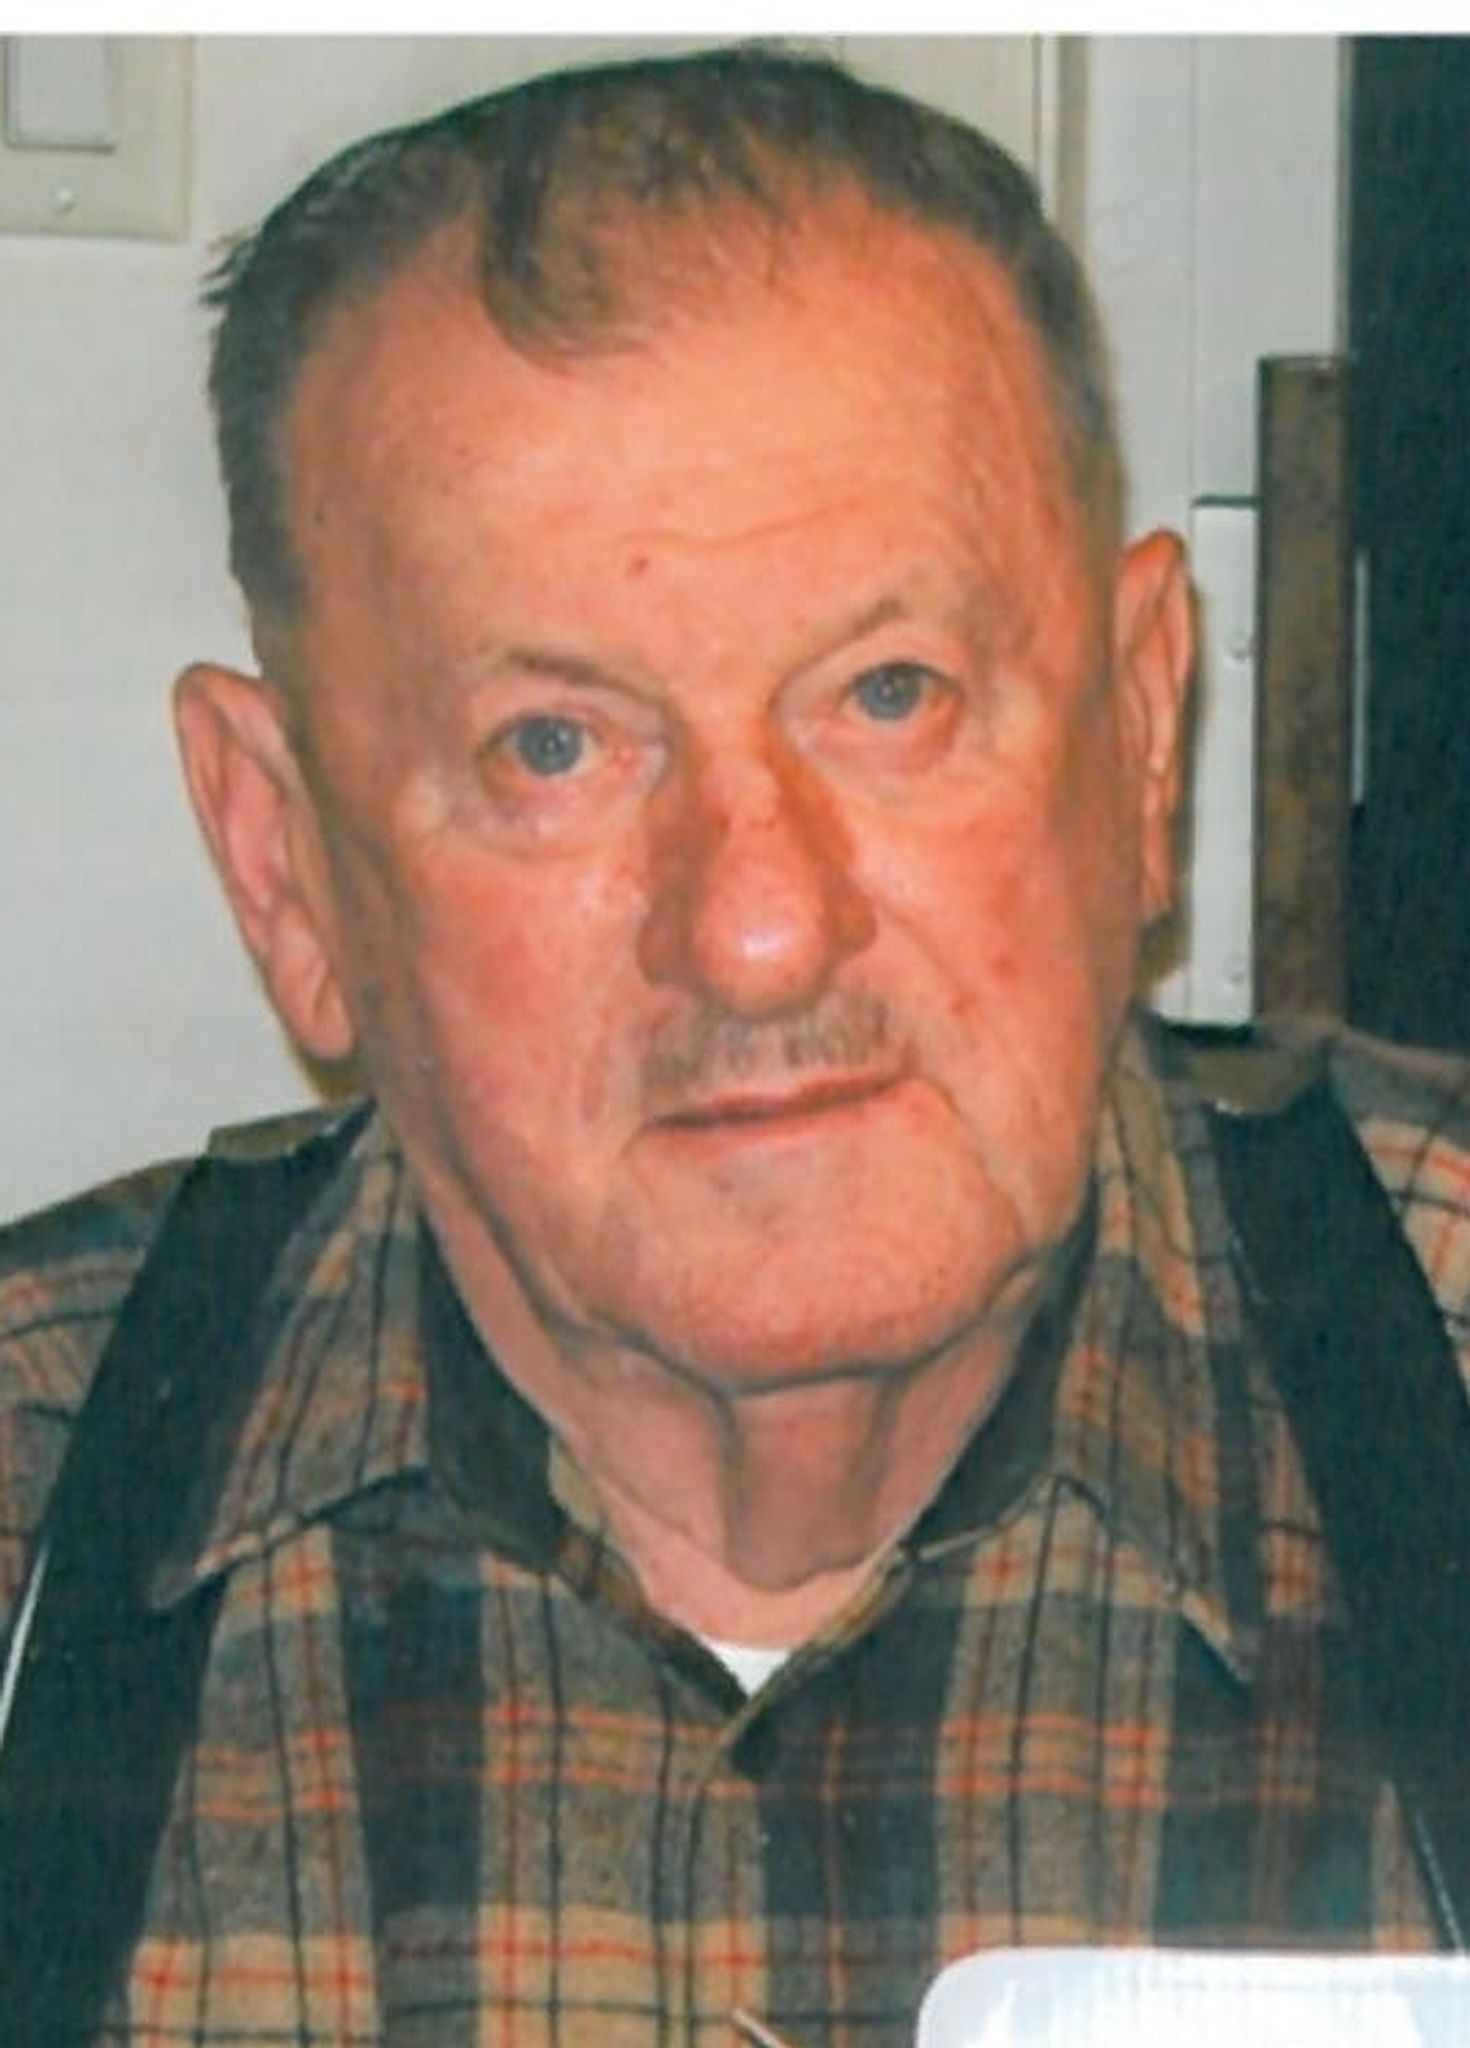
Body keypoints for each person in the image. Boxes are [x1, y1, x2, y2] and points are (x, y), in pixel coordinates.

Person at [1, 42, 1467, 2047]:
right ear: (286, 866)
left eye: (890, 693)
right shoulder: (38, 1497)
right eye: (553, 747)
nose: (762, 930)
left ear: (1140, 737)